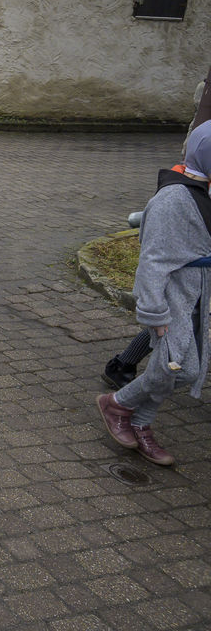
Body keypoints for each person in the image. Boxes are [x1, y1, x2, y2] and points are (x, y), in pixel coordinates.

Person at [97, 121, 211, 467]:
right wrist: (154, 315)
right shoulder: (173, 199)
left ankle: (137, 418)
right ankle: (118, 404)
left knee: (181, 370)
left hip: (198, 296)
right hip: (172, 298)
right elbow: (152, 262)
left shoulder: (204, 191)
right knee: (176, 370)